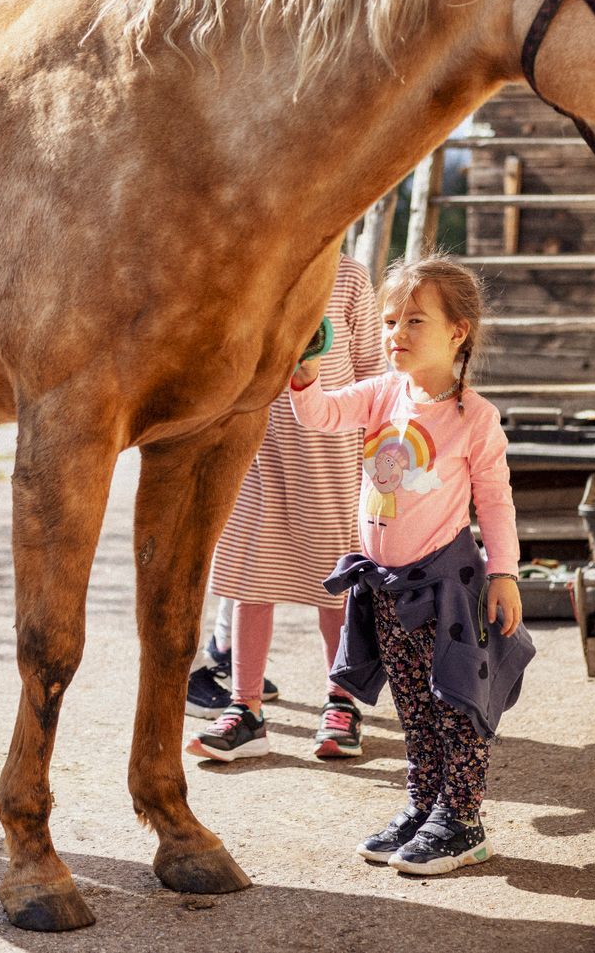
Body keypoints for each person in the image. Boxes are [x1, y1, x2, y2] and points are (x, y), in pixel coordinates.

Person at [288, 256, 535, 875]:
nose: (396, 332)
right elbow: (319, 415)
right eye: (389, 320)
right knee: (412, 706)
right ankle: (425, 804)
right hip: (385, 589)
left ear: (458, 332)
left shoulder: (474, 417)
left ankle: (463, 821)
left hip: (447, 588)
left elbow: (496, 501)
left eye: (414, 321)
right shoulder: (381, 393)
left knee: (455, 703)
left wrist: (504, 573)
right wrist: (305, 372)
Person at [187, 252, 386, 761]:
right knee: (251, 580)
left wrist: (382, 457)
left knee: (336, 588)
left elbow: (372, 371)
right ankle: (245, 709)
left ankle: (341, 703)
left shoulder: (347, 277)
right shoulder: (251, 265)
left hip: (332, 455)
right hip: (256, 448)